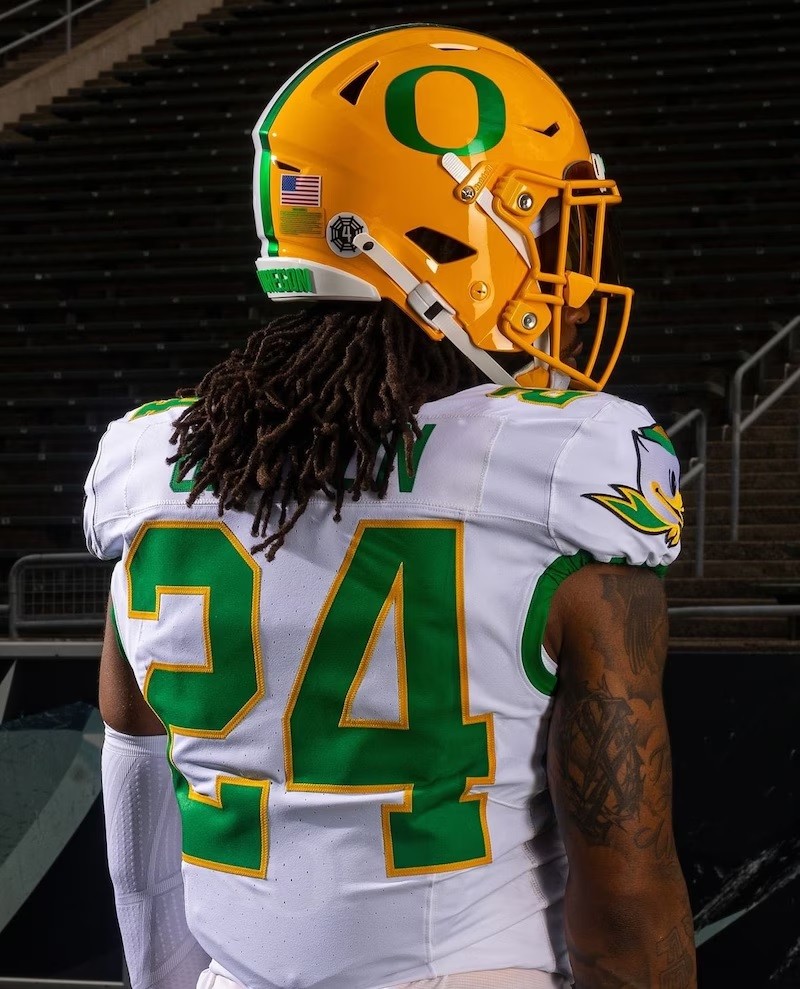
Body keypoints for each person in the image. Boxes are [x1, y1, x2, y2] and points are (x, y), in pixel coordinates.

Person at [84, 23, 696, 989]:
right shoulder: (562, 472)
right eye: (537, 223)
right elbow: (625, 902)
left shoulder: (160, 469)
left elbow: (139, 824)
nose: (567, 278)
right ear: (443, 238)